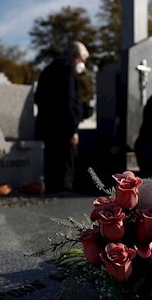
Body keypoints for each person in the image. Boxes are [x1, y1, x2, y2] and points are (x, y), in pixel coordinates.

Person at [34, 41, 89, 193]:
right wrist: (72, 130)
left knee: (51, 169)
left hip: (47, 129)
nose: (84, 63)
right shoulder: (67, 70)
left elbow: (39, 98)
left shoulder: (48, 69)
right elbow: (69, 102)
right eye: (83, 59)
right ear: (75, 56)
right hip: (63, 131)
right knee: (64, 172)